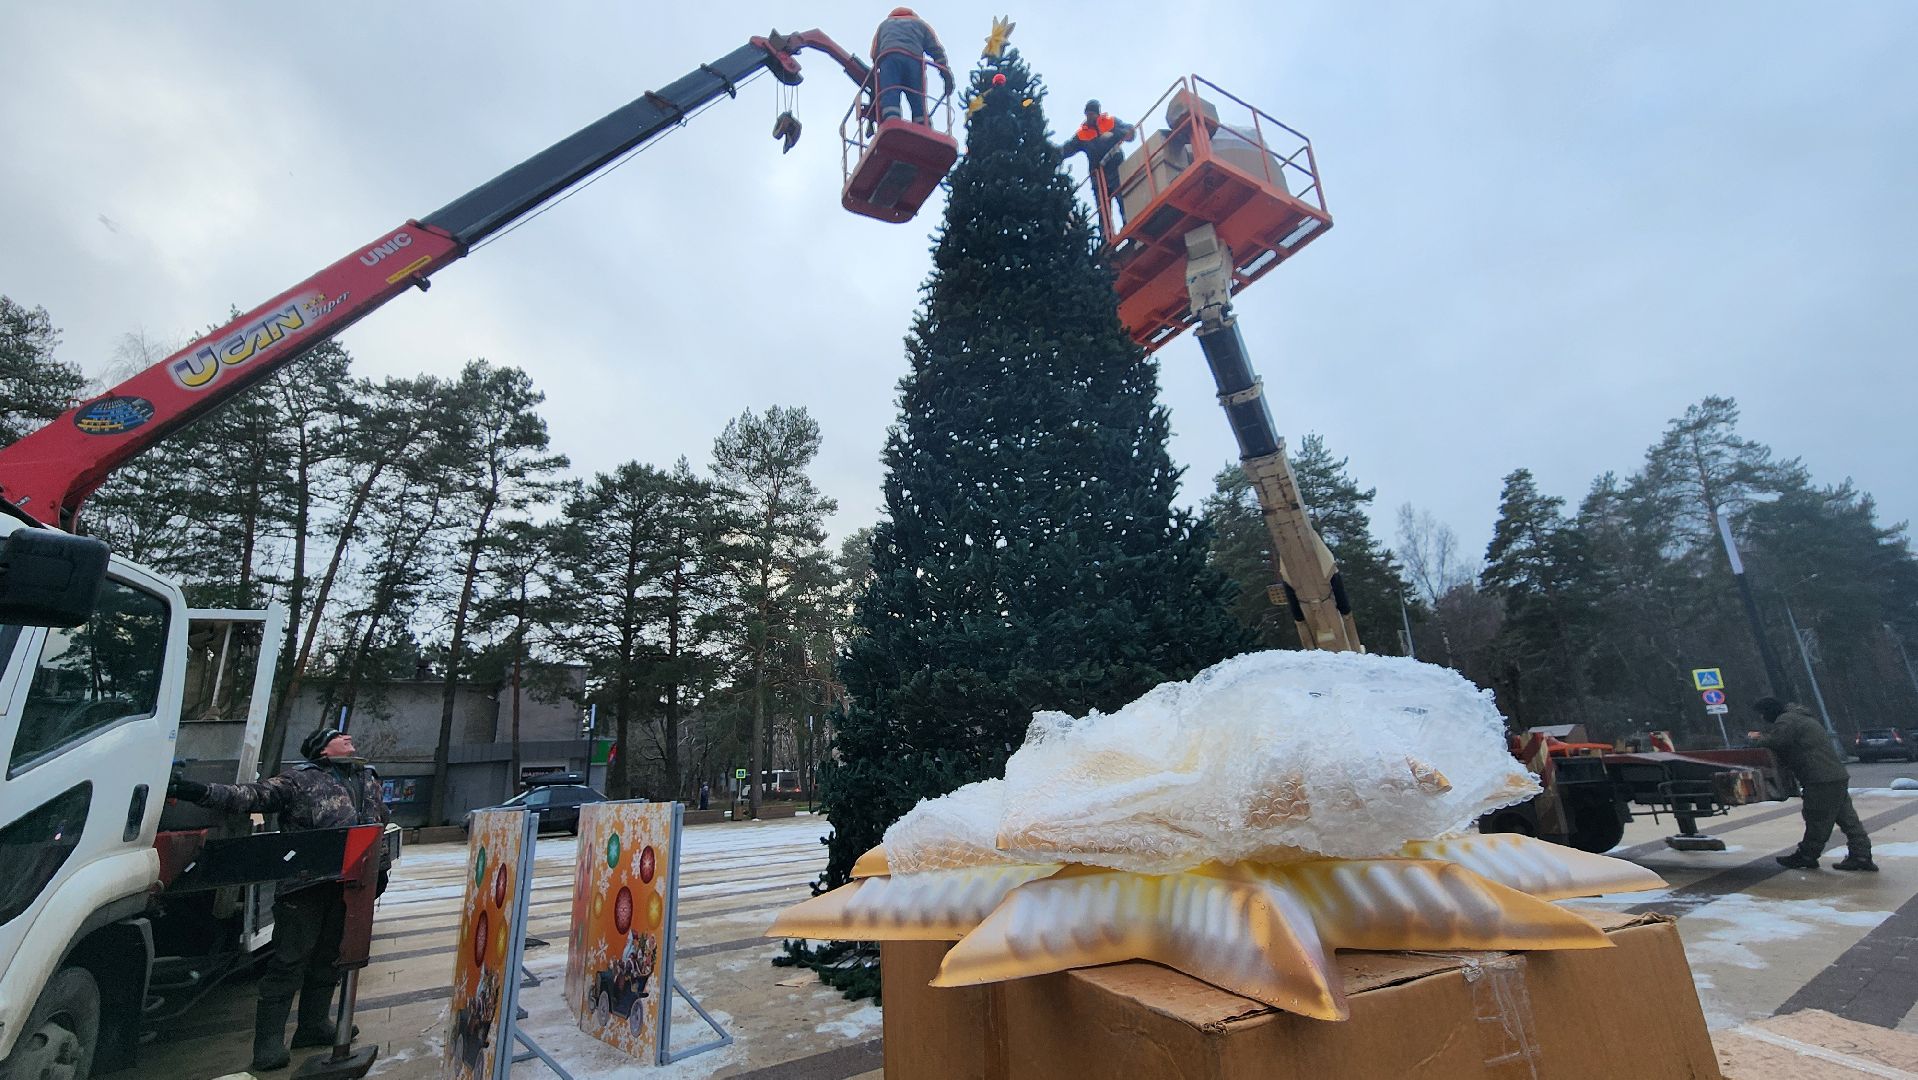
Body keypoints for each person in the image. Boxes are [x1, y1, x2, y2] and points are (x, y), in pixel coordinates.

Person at [168, 726, 392, 1071]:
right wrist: (195, 791)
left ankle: (313, 1025)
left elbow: (379, 822)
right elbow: (248, 796)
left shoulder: (367, 777)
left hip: (350, 885)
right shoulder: (299, 780)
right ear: (322, 750)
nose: (348, 737)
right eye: (337, 736)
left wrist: (380, 867)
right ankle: (268, 1043)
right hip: (305, 884)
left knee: (332, 956)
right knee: (290, 959)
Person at [1747, 696, 1875, 872]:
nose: (1762, 718)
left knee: (1816, 818)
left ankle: (1807, 855)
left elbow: (1777, 742)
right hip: (1834, 775)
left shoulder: (1787, 720)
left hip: (1818, 778)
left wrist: (1757, 738)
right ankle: (1861, 856)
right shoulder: (1801, 717)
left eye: (1762, 714)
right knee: (1848, 819)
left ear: (1769, 711)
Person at [1059, 100, 1137, 223]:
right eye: (1087, 114)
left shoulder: (1111, 122)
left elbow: (1130, 132)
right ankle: (1106, 234)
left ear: (1097, 113)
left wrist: (1113, 134)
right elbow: (1067, 149)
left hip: (1117, 170)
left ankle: (1129, 224)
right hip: (1098, 176)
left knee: (1124, 200)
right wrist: (1052, 152)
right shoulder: (1082, 134)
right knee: (1103, 211)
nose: (1089, 117)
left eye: (1091, 114)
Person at [870, 7, 952, 124]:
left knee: (890, 91)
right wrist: (945, 74)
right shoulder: (921, 24)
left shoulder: (884, 25)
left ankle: (892, 119)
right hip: (914, 61)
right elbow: (936, 50)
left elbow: (874, 53)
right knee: (917, 97)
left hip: (889, 60)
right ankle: (922, 122)